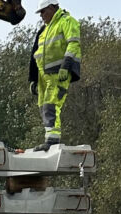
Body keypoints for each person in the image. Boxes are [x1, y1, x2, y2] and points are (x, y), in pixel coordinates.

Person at [28, 1, 81, 151]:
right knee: (43, 107)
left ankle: (52, 141)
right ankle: (49, 138)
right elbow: (36, 54)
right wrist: (34, 79)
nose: (42, 16)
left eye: (43, 12)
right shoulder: (44, 30)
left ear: (52, 8)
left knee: (51, 105)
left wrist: (66, 66)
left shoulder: (66, 21)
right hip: (43, 76)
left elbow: (73, 44)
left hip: (59, 73)